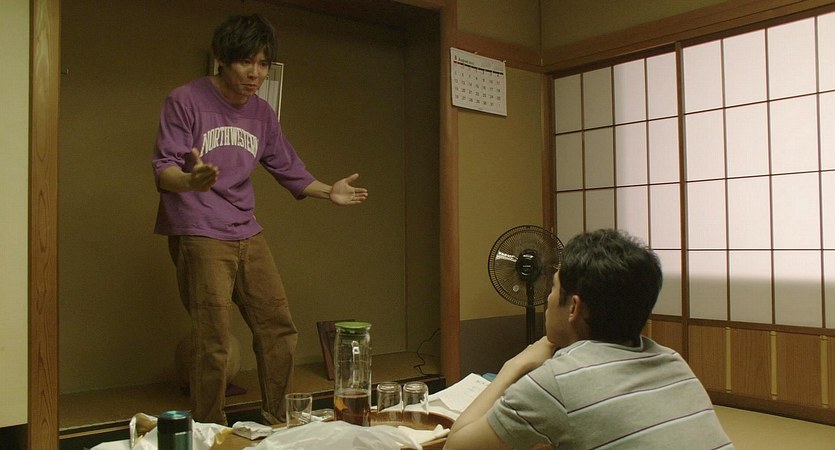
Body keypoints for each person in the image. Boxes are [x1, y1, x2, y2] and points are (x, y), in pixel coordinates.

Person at [151, 13, 368, 425]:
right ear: (221, 58)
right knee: (213, 338)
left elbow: (287, 166)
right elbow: (164, 169)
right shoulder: (185, 100)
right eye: (245, 62)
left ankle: (278, 419)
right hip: (199, 228)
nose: (255, 73)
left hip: (245, 227)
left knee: (278, 327)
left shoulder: (262, 113)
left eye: (263, 64)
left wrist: (329, 191)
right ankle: (209, 429)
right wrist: (191, 180)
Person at [445, 229, 733, 449]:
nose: (547, 298)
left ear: (574, 307)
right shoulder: (672, 361)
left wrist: (515, 365)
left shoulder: (556, 382)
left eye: (553, 288)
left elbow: (455, 446)